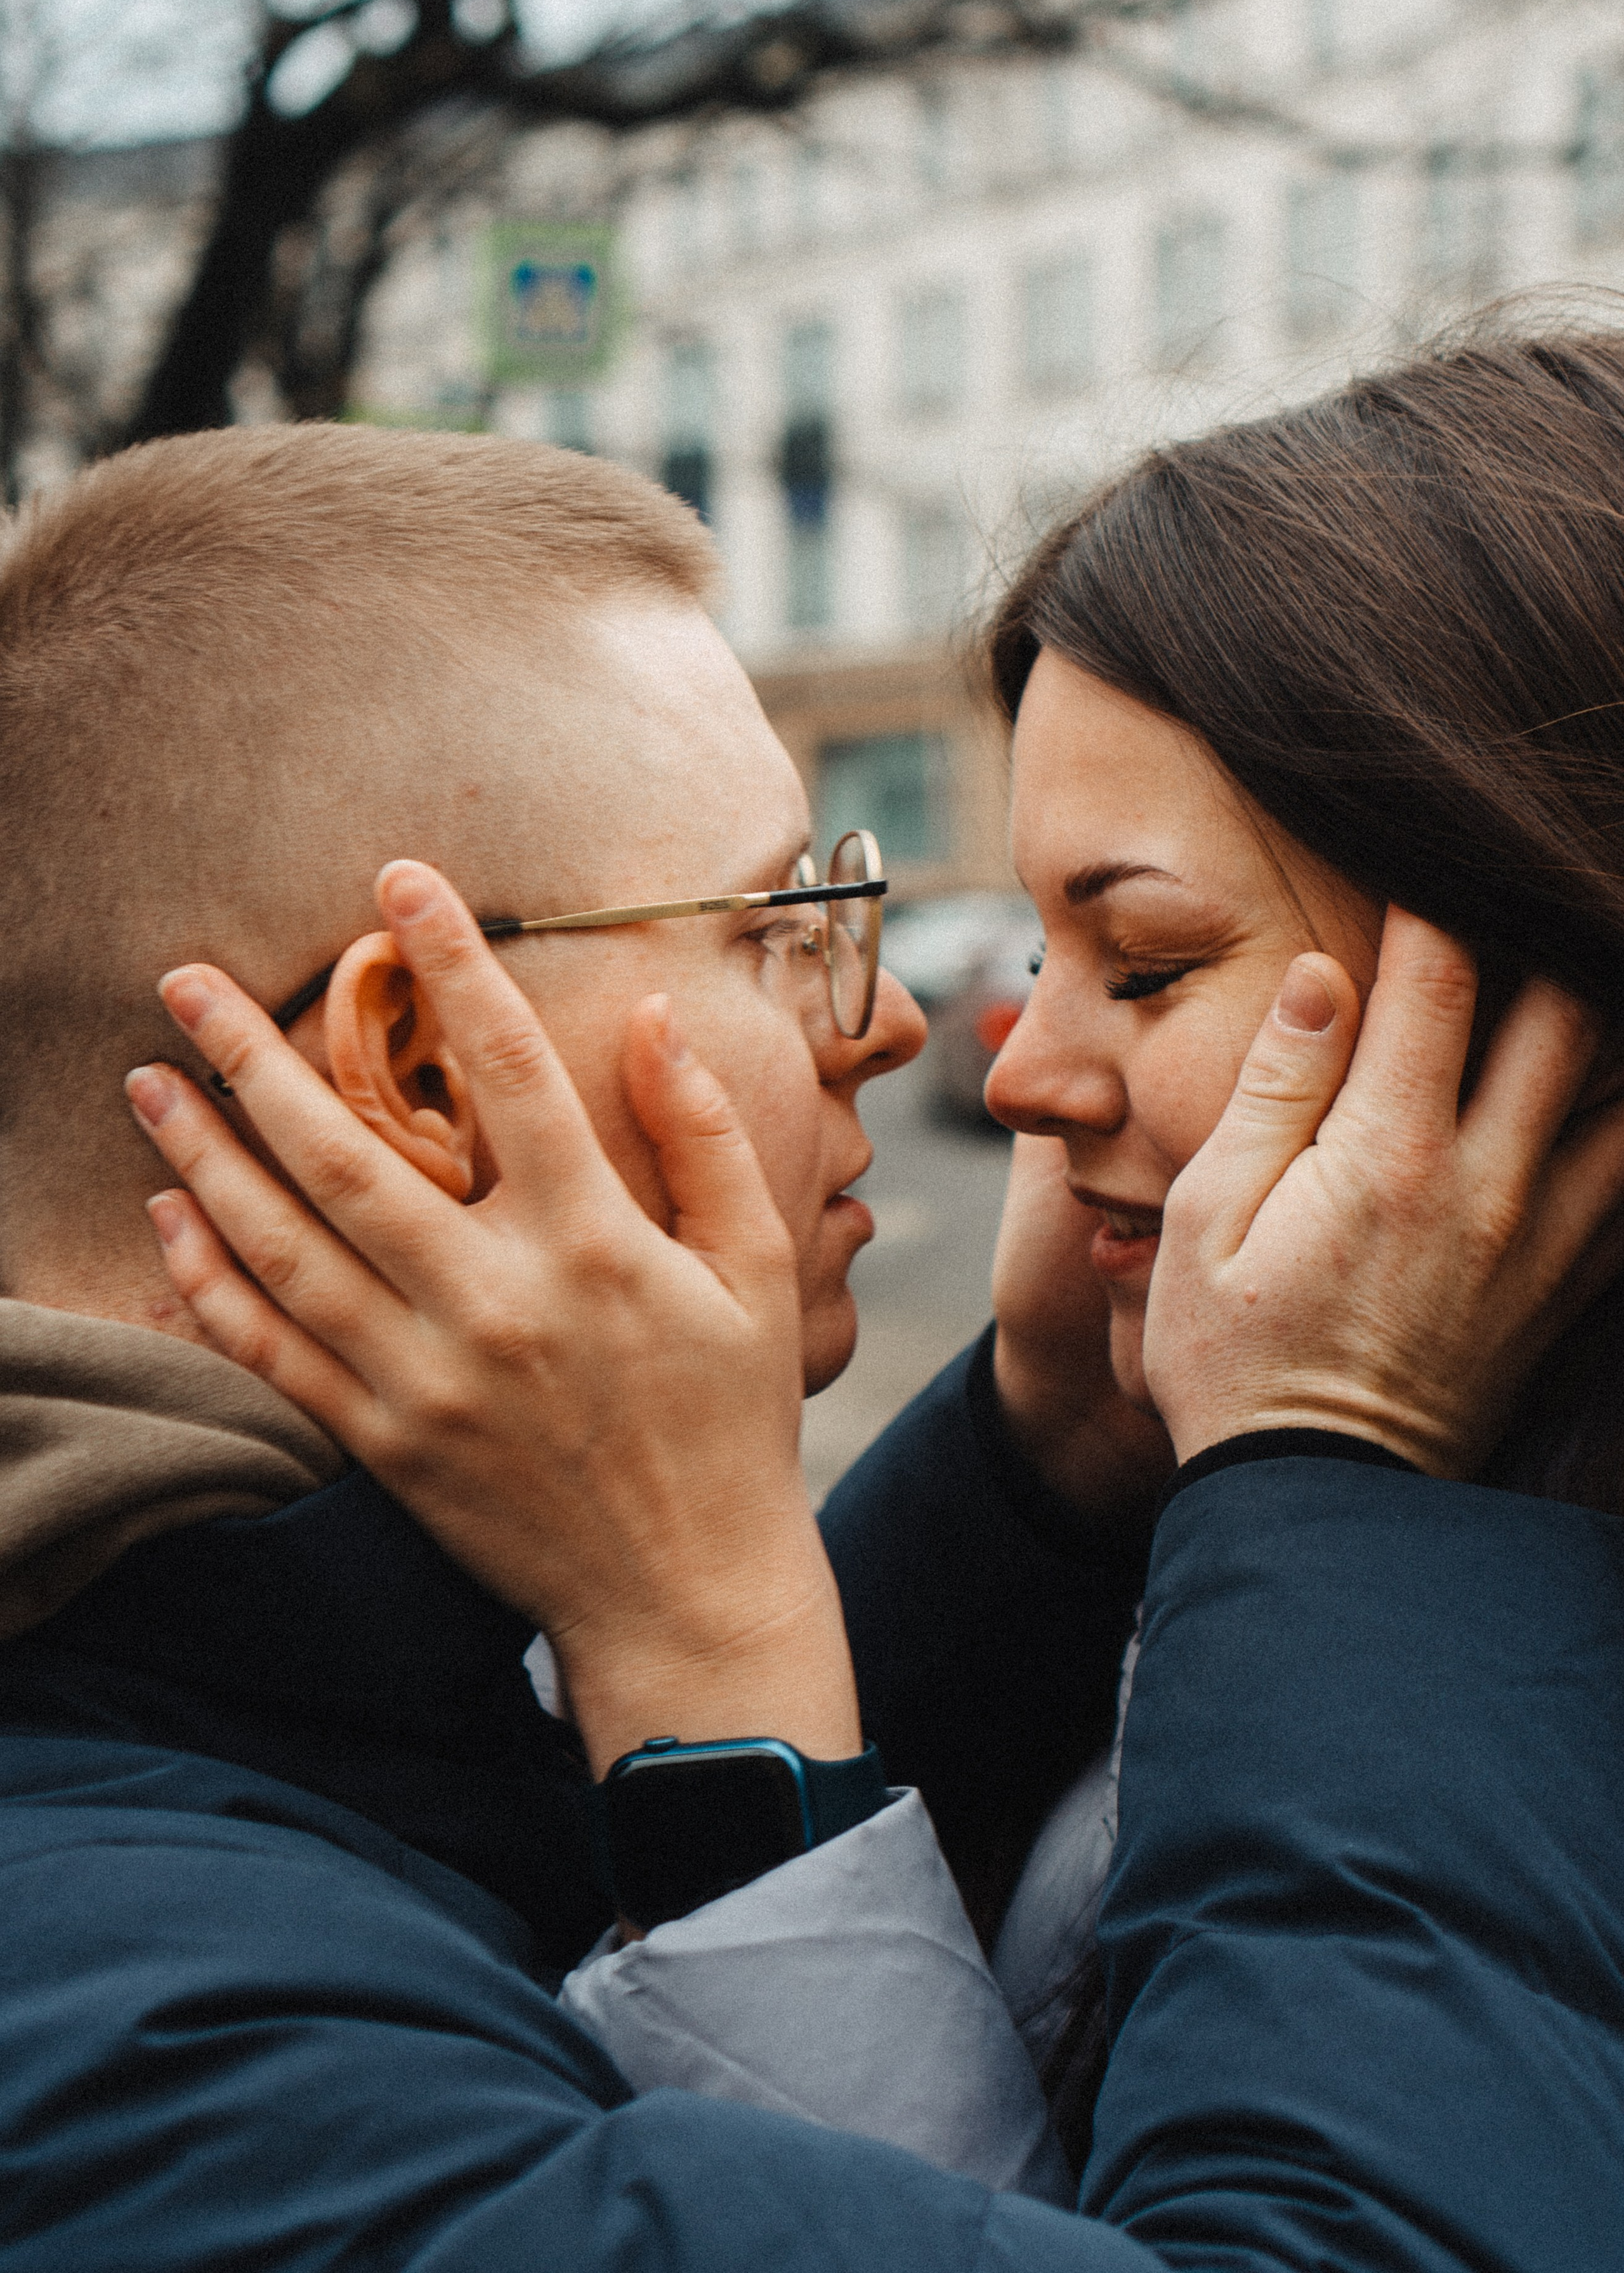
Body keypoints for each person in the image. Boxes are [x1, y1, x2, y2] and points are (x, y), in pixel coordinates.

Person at [4, 391, 1624, 2267]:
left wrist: (1019, 1476)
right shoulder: (167, 2050)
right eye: (784, 922)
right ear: (429, 1064)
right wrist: (1322, 1465)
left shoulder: (302, 1724)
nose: (930, 1042)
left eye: (1147, 963)